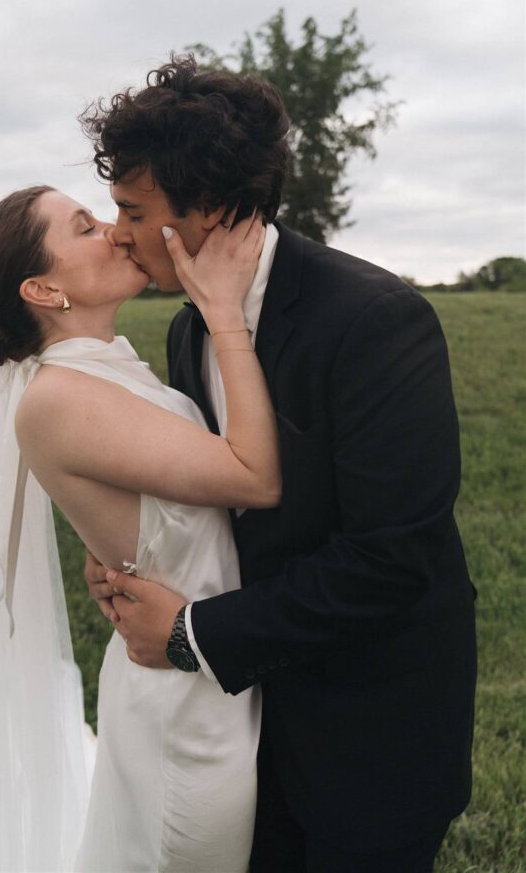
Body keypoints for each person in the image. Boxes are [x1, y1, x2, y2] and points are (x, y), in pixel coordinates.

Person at [81, 55, 478, 873]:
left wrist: (191, 633)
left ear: (212, 207)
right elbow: (220, 501)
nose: (115, 229)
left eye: (129, 207)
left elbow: (388, 559)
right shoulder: (190, 331)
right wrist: (131, 553)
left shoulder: (375, 320)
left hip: (372, 735)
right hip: (251, 727)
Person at [0, 183, 282, 872]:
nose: (117, 232)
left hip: (213, 670)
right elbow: (253, 476)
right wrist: (224, 312)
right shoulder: (57, 398)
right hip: (186, 713)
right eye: (85, 227)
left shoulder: (103, 370)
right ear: (43, 289)